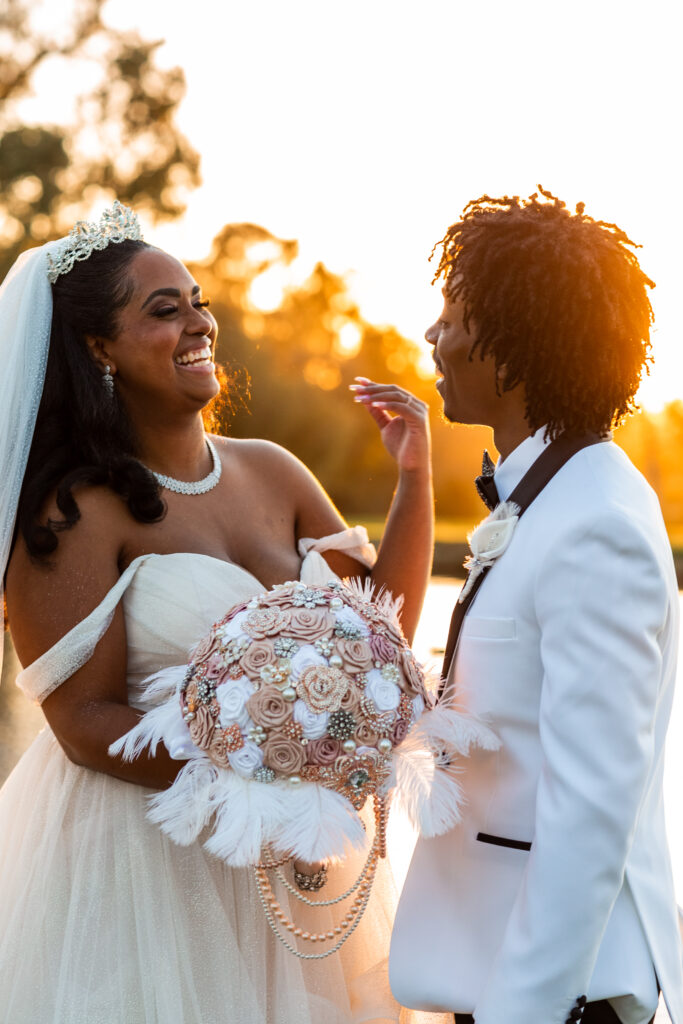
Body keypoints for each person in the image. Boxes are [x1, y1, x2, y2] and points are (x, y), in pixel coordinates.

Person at [0, 203, 439, 1024]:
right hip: (146, 871)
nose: (199, 321)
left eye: (197, 301)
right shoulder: (74, 514)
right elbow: (84, 721)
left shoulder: (273, 470)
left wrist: (414, 480)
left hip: (299, 866)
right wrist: (260, 773)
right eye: (164, 310)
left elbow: (380, 645)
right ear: (99, 348)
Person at [389, 188, 683, 1024]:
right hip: (490, 967)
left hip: (553, 993)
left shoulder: (595, 524)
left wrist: (525, 1012)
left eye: (449, 315)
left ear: (513, 338)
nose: (432, 337)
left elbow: (592, 808)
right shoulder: (553, 496)